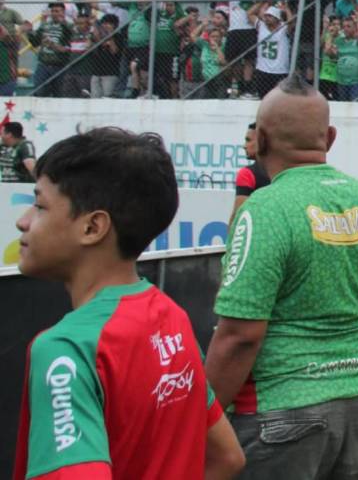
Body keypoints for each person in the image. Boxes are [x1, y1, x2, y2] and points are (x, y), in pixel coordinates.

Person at [15, 128, 245, 480]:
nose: (23, 220)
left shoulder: (66, 349)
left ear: (93, 227)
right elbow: (226, 457)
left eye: (41, 205)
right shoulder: (171, 317)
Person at [207, 77, 358, 478]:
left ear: (260, 139)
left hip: (280, 408)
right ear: (329, 137)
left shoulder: (263, 209)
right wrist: (357, 373)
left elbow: (240, 334)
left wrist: (199, 418)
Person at [230, 121, 269, 223]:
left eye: (248, 140)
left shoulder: (247, 174)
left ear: (261, 141)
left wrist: (230, 238)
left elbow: (239, 216)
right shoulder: (287, 171)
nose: (244, 146)